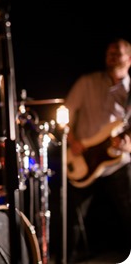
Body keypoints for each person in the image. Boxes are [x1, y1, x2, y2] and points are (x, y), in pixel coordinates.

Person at [64, 37, 131, 262]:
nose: (111, 57)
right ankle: (68, 258)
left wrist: (126, 143)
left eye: (117, 53)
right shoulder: (87, 82)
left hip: (118, 161)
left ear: (129, 59)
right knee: (72, 218)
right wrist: (71, 139)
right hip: (83, 157)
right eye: (109, 52)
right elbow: (67, 112)